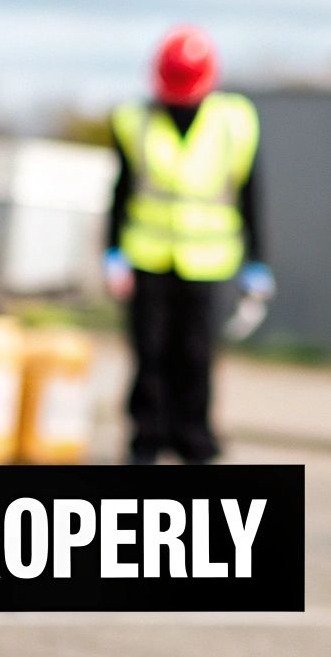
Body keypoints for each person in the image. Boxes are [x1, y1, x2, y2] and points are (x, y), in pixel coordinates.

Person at [105, 26, 274, 465]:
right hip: (148, 258)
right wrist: (113, 253)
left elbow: (250, 194)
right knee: (150, 354)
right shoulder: (134, 120)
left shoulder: (234, 123)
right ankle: (146, 439)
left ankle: (194, 441)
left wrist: (258, 262)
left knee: (196, 357)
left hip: (209, 261)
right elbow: (120, 193)